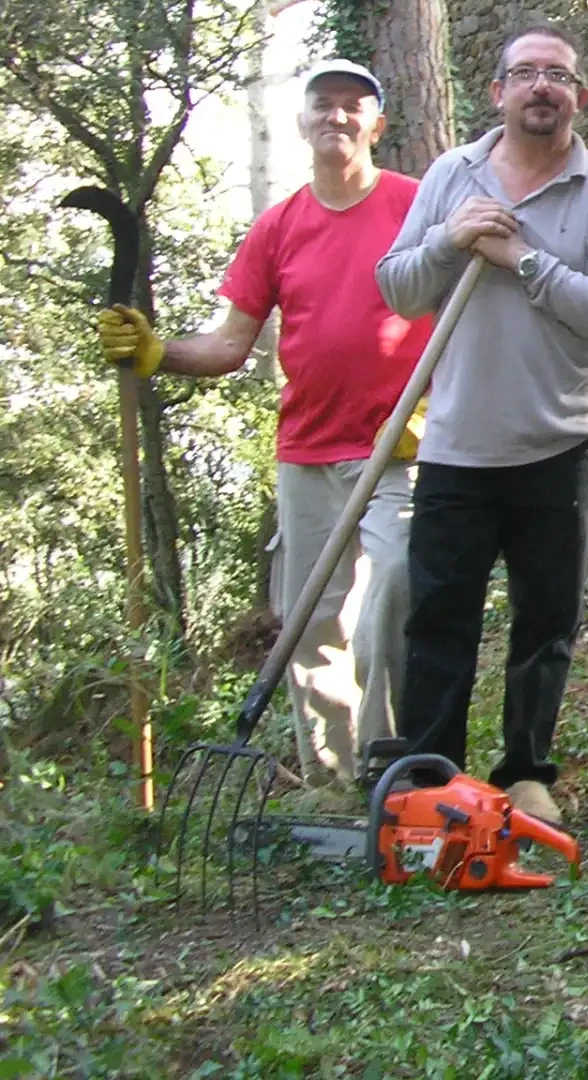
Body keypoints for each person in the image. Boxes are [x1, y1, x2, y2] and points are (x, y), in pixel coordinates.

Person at [95, 60, 431, 786]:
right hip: (307, 452)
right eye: (324, 105)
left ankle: (391, 771)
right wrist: (155, 351)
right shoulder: (278, 227)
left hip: (399, 450)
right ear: (303, 123)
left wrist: (438, 404)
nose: (337, 117)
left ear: (377, 125)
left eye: (353, 106)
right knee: (310, 623)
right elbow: (227, 344)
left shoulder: (415, 204)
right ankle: (333, 784)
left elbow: (467, 309)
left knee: (396, 589)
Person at [376, 24, 588, 822]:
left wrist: (524, 260)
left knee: (545, 621)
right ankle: (430, 779)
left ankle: (526, 770)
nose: (541, 87)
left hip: (560, 443)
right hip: (458, 442)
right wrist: (451, 241)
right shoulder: (452, 177)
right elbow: (396, 288)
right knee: (439, 620)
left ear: (578, 96)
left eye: (557, 75)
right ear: (498, 92)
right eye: (525, 73)